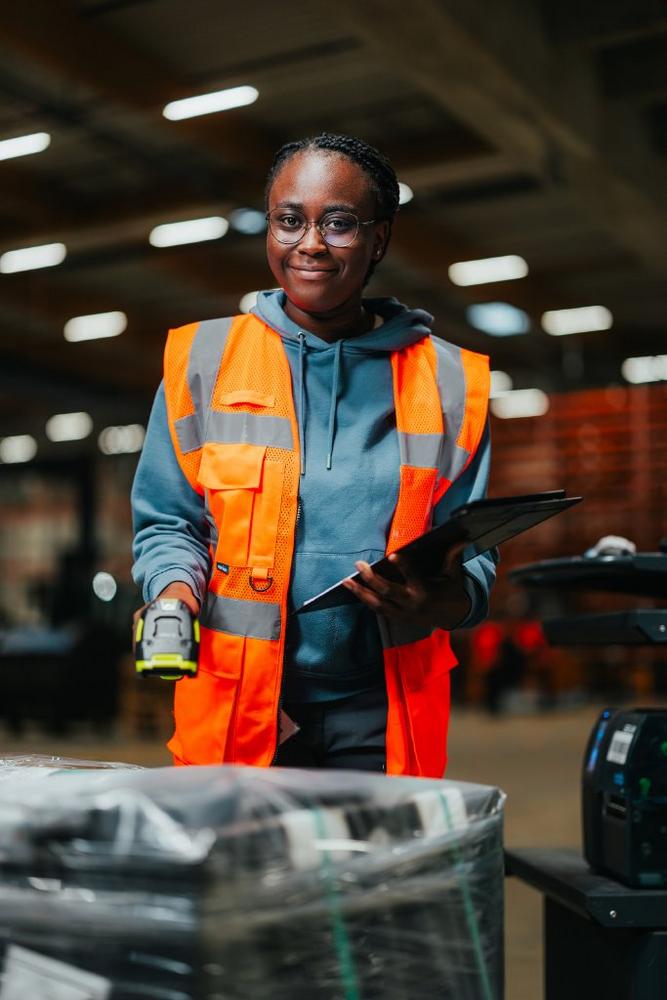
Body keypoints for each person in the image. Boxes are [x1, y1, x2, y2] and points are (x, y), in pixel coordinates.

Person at [131, 133, 496, 777]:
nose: (310, 244)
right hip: (244, 705)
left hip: (382, 709)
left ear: (379, 239)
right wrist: (174, 595)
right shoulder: (202, 364)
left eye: (339, 223)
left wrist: (442, 602)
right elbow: (169, 522)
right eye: (289, 220)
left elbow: (473, 553)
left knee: (374, 848)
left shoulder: (449, 384)